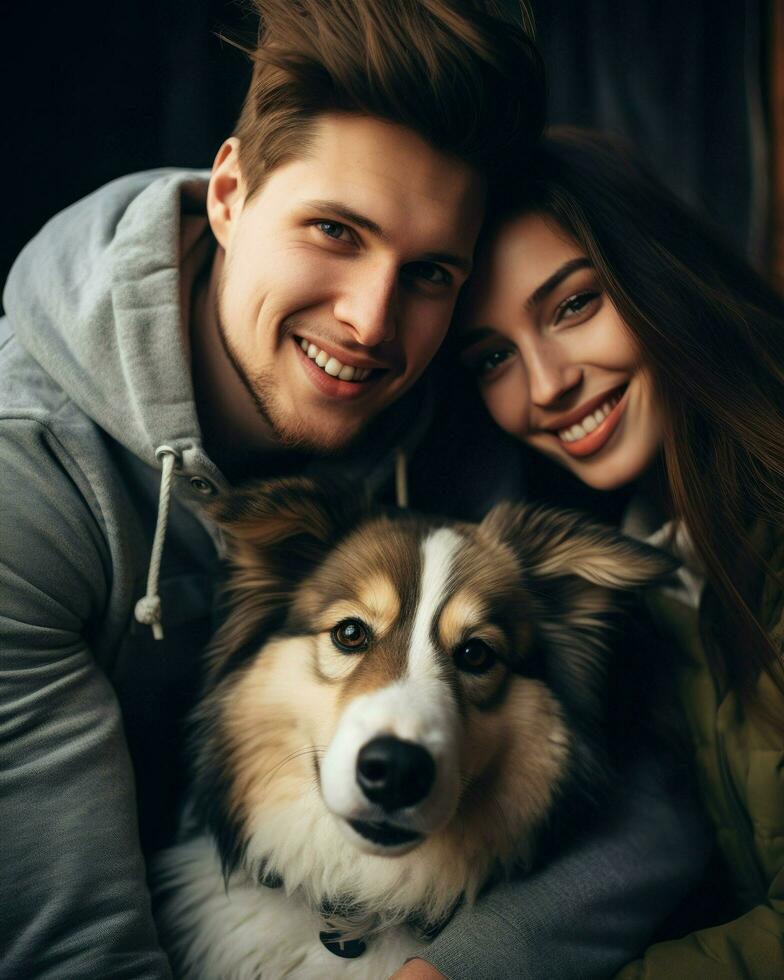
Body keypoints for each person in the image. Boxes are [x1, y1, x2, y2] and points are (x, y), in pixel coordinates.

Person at [0, 0, 706, 972]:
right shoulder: (21, 480)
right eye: (334, 229)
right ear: (230, 192)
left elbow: (643, 780)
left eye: (427, 272)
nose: (372, 322)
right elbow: (68, 943)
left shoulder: (470, 391)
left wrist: (454, 969)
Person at [456, 127, 784, 979]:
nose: (547, 384)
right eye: (494, 357)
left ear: (659, 278)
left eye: (573, 306)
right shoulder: (633, 569)